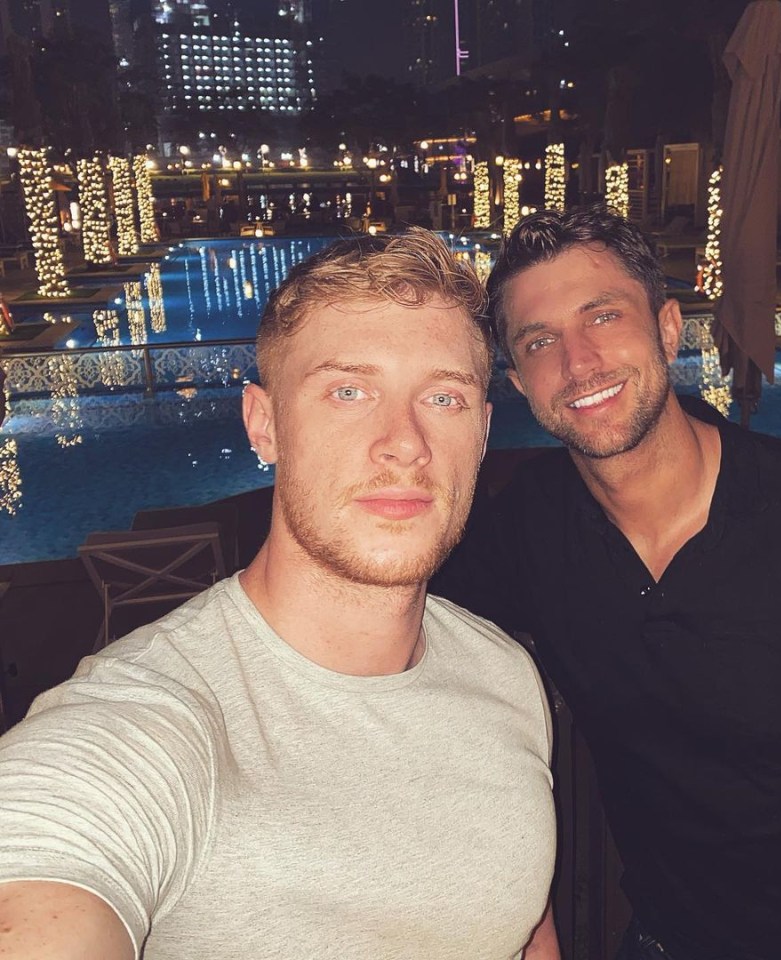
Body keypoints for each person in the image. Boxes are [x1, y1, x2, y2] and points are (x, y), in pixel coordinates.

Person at [0, 230, 560, 960]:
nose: (404, 442)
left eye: (444, 397)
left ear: (483, 432)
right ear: (264, 423)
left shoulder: (505, 672)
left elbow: (523, 928)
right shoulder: (153, 719)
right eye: (348, 391)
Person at [432, 207, 781, 960]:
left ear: (670, 328)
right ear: (519, 381)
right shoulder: (528, 526)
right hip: (662, 941)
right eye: (539, 341)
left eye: (603, 316)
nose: (578, 363)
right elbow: (393, 625)